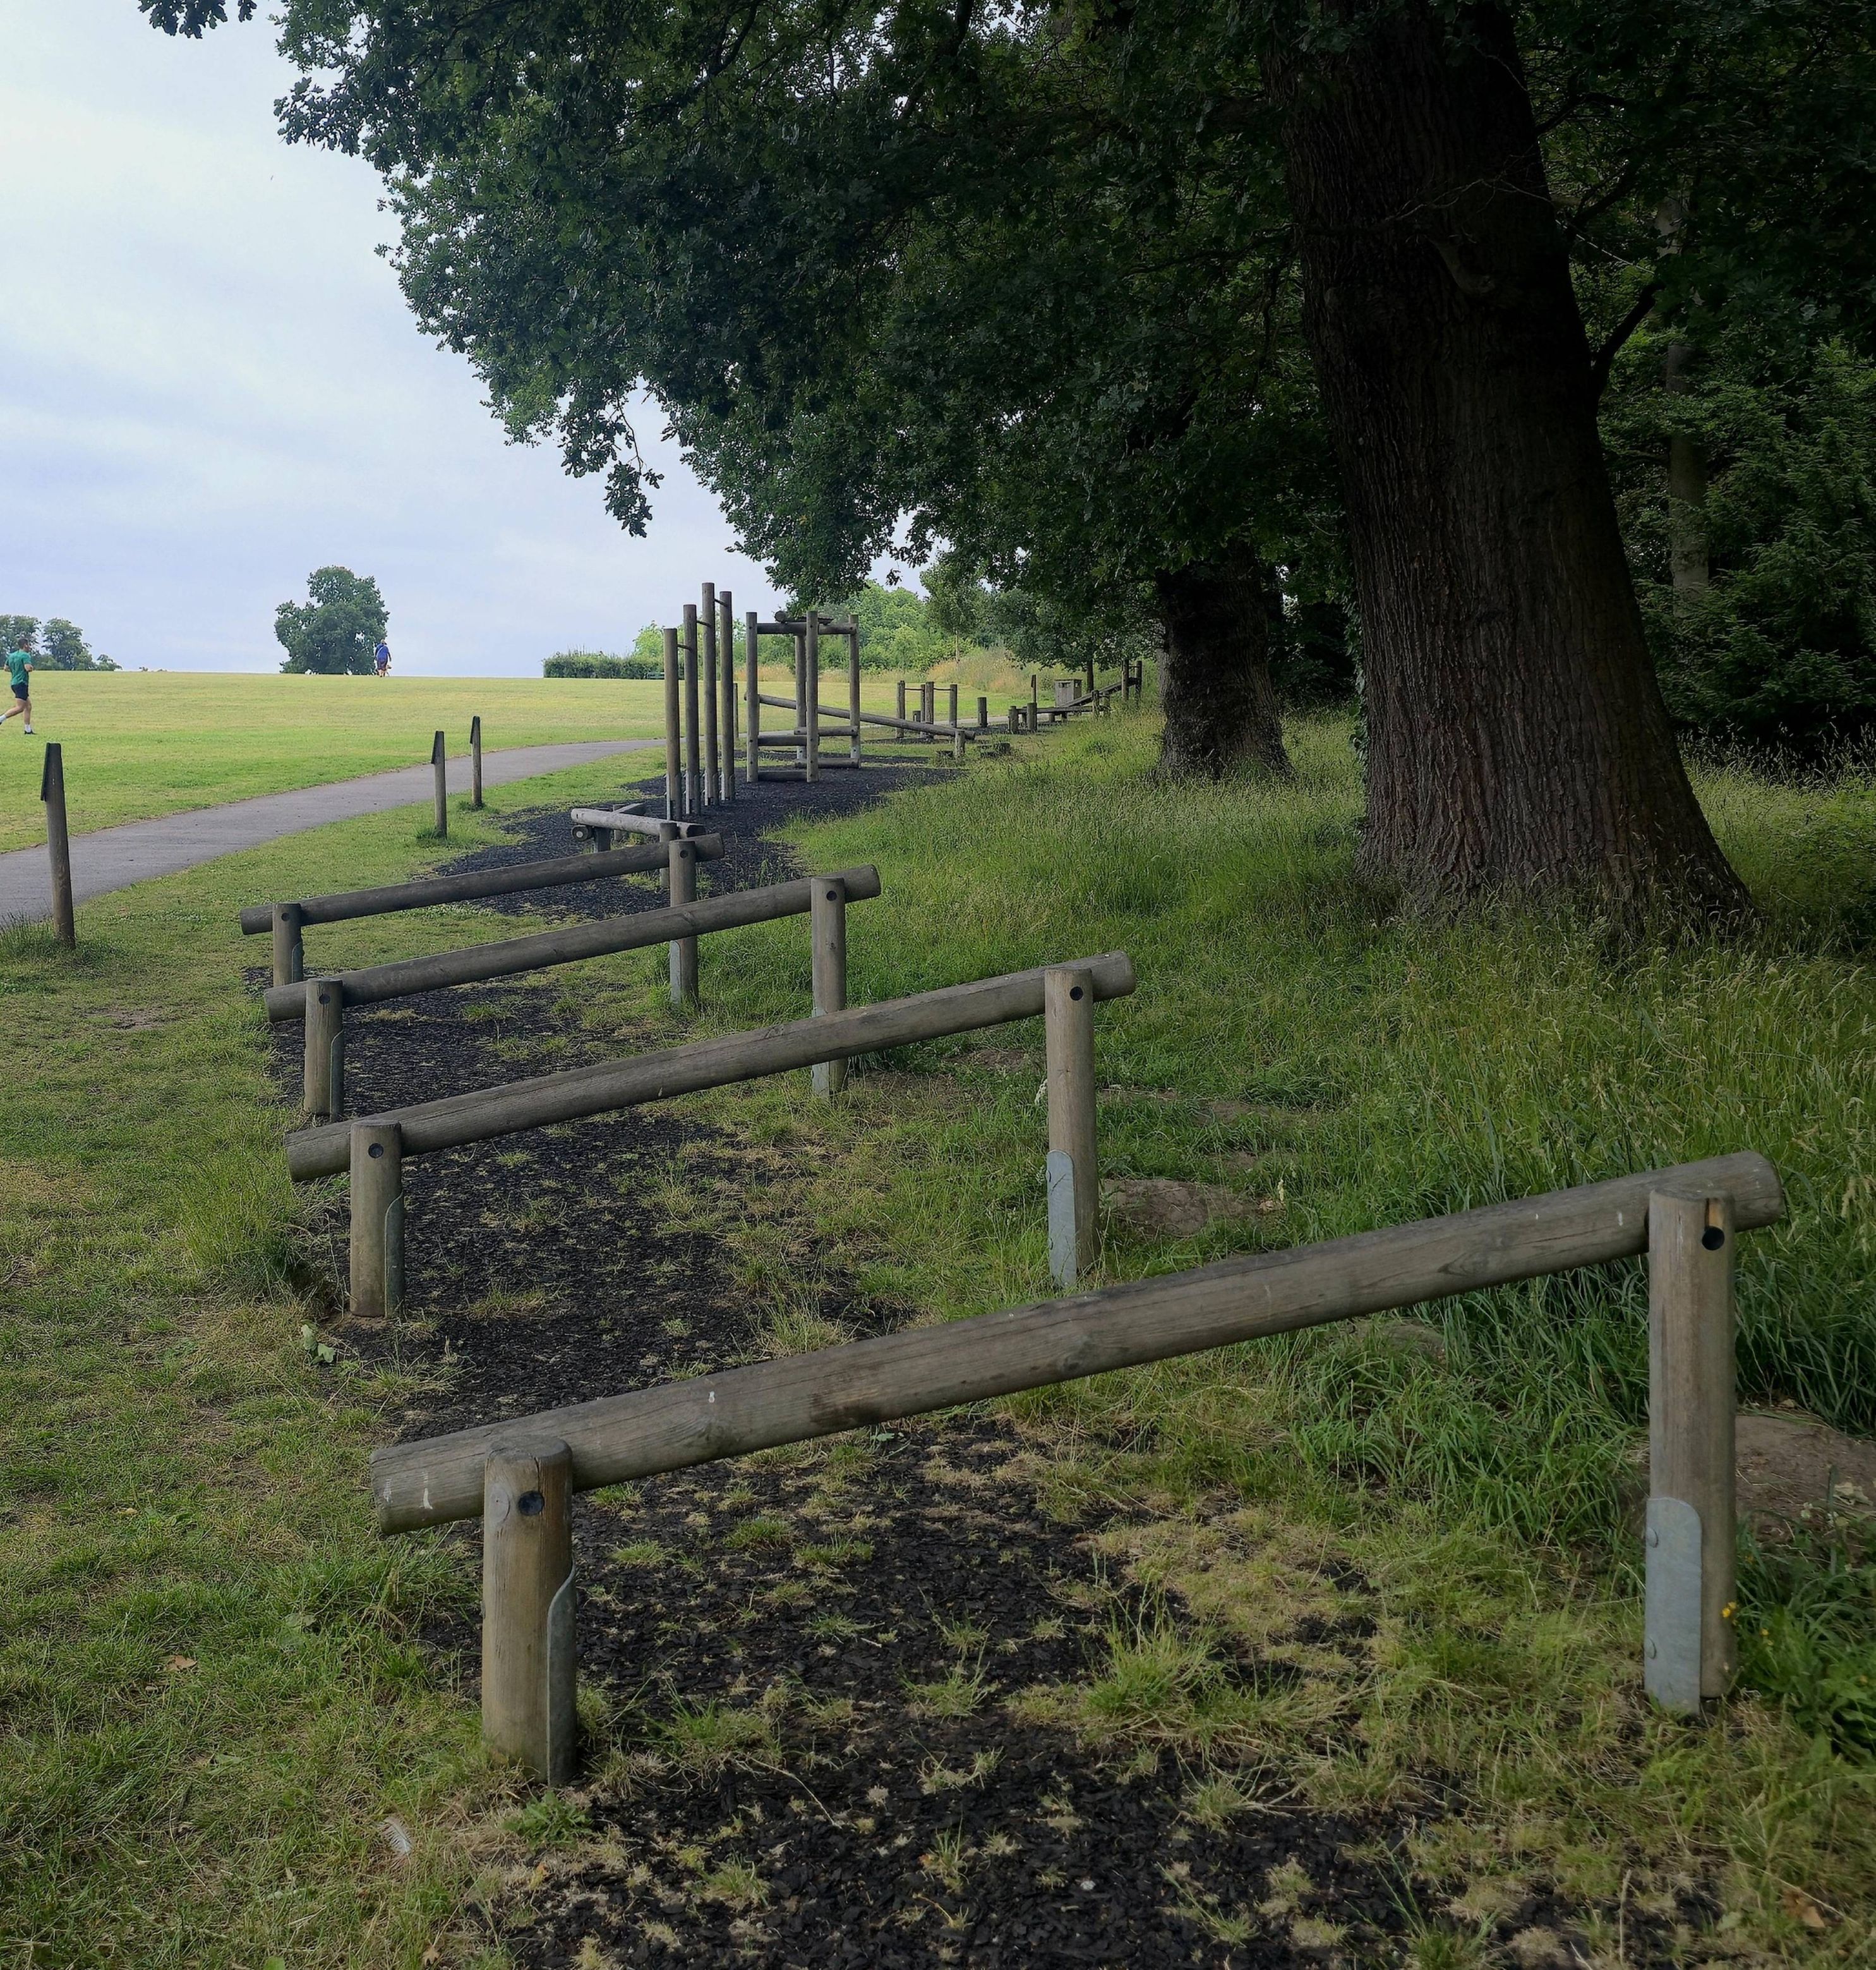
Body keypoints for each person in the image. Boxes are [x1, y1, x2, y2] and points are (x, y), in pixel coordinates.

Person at [0, 645, 33, 733]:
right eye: (29, 644)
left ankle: (28, 730)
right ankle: (1, 719)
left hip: (14, 682)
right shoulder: (25, 655)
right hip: (21, 683)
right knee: (20, 708)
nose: (30, 647)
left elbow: (6, 668)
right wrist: (31, 668)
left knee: (28, 706)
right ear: (25, 645)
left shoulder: (12, 655)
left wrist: (16, 671)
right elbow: (28, 668)